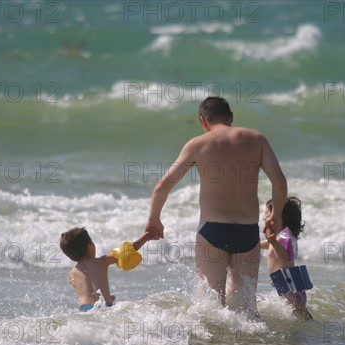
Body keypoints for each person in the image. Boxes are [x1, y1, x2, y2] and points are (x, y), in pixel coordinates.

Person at [146, 96, 287, 317]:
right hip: (248, 231)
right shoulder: (257, 139)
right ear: (231, 117)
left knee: (210, 309)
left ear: (203, 121)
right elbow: (279, 182)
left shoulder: (197, 144)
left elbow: (163, 185)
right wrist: (276, 216)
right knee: (246, 309)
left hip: (212, 231)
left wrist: (154, 219)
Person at [60, 227, 158, 312]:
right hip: (103, 306)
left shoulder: (72, 274)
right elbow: (128, 251)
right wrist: (147, 236)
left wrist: (108, 297)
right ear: (90, 246)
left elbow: (89, 291)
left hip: (84, 309)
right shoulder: (102, 261)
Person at [261, 197, 312, 320]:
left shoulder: (285, 237)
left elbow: (286, 255)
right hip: (290, 287)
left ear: (280, 217)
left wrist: (273, 241)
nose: (263, 218)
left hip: (291, 288)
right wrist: (254, 245)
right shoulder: (281, 237)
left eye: (267, 214)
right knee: (300, 316)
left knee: (296, 317)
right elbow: (271, 246)